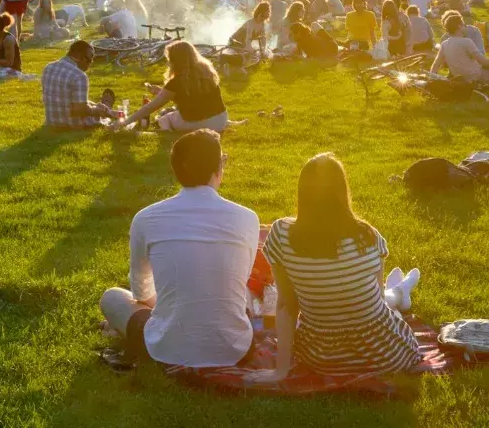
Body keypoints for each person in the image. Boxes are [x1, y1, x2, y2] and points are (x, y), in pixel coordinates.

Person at [250, 153, 421, 383]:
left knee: (371, 302)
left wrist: (280, 371)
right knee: (382, 301)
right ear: (342, 192)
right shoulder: (368, 237)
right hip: (384, 356)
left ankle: (400, 292)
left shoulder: (281, 235)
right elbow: (376, 300)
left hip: (322, 358)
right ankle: (400, 292)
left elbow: (286, 304)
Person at [100, 129, 260, 367]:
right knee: (243, 292)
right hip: (234, 348)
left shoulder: (146, 218)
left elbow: (141, 292)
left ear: (176, 170)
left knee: (112, 297)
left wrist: (175, 305)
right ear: (218, 170)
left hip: (166, 347)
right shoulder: (248, 218)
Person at [116, 41, 229, 133]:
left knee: (166, 118)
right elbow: (195, 99)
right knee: (176, 113)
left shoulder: (177, 82)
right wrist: (162, 92)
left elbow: (150, 107)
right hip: (220, 121)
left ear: (175, 61)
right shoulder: (206, 73)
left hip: (202, 124)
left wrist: (124, 123)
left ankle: (166, 133)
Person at [42, 40, 116, 128]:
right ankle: (107, 107)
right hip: (72, 124)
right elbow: (80, 110)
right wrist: (96, 110)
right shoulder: (79, 76)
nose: (90, 64)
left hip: (51, 121)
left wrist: (95, 105)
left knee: (95, 108)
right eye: (89, 59)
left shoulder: (48, 67)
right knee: (104, 120)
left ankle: (105, 107)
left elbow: (66, 98)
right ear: (78, 56)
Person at [431, 14, 489, 84]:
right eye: (463, 25)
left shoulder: (444, 44)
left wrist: (431, 79)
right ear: (459, 26)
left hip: (458, 78)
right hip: (475, 76)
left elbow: (435, 65)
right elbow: (483, 61)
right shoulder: (467, 41)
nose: (465, 27)